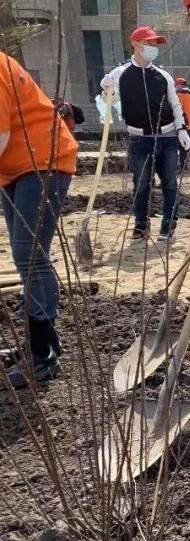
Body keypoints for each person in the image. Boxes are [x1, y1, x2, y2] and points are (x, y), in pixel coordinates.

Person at [1, 53, 78, 387]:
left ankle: (43, 353)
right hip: (14, 168)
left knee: (29, 255)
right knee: (28, 256)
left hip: (42, 158)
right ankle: (43, 342)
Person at [101, 26, 190, 241]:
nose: (153, 48)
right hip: (139, 139)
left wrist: (181, 130)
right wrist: (107, 91)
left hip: (167, 137)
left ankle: (169, 225)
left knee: (170, 183)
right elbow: (108, 100)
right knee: (142, 184)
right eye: (149, 43)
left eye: (155, 44)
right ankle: (141, 226)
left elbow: (175, 103)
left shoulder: (163, 76)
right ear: (135, 44)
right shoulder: (120, 74)